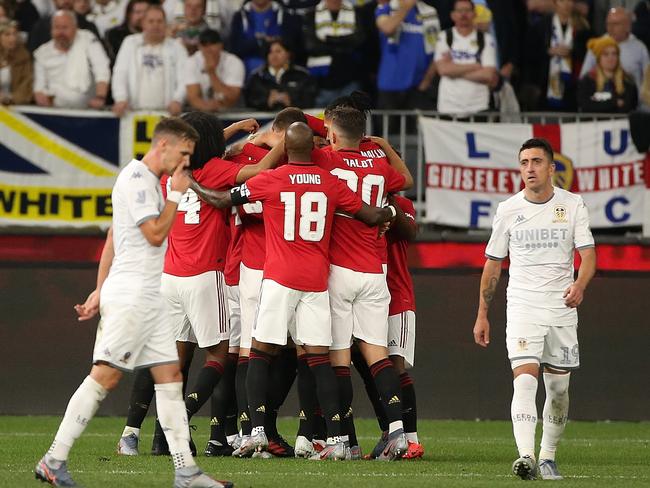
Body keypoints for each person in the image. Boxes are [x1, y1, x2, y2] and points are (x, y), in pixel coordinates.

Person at [35, 117, 233, 488]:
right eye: (184, 153)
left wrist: (97, 289)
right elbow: (155, 235)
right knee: (105, 376)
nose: (186, 162)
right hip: (132, 295)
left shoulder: (145, 179)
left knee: (170, 377)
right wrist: (176, 194)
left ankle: (186, 471)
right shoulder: (140, 181)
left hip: (148, 293)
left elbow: (114, 236)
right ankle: (53, 459)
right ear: (164, 147)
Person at [188, 121, 398, 461]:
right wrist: (390, 211)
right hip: (315, 282)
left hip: (279, 278)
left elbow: (223, 198)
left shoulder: (270, 179)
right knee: (318, 361)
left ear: (285, 148)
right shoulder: (330, 183)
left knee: (259, 352)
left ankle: (256, 431)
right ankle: (337, 440)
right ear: (311, 148)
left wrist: (194, 184)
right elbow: (371, 215)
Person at [473, 137, 596, 481]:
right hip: (523, 306)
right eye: (524, 162)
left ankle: (548, 456)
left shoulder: (572, 205)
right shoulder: (509, 209)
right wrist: (483, 313)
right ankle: (525, 455)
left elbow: (588, 255)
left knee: (558, 389)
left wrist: (580, 285)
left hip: (561, 308)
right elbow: (493, 265)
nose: (529, 168)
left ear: (551, 168)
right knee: (524, 382)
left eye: (537, 162)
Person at [111, 4, 188, 116]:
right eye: (151, 21)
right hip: (132, 113)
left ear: (165, 24)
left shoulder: (177, 47)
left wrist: (178, 100)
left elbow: (185, 78)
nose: (155, 25)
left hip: (168, 115)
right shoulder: (130, 43)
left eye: (159, 21)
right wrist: (120, 98)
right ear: (143, 24)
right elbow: (120, 73)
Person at [33, 10, 110, 108]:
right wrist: (40, 95)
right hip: (55, 112)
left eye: (65, 28)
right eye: (57, 28)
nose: (60, 32)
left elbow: (101, 68)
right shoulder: (42, 53)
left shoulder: (87, 39)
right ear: (51, 30)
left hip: (88, 110)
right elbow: (39, 87)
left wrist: (100, 97)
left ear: (75, 28)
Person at [434, 0, 498, 115]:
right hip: (448, 106)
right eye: (459, 11)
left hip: (479, 106)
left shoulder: (485, 39)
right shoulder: (444, 37)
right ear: (452, 15)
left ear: (474, 14)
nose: (463, 15)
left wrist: (454, 70)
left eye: (467, 11)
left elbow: (488, 75)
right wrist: (475, 66)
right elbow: (443, 70)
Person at [375, 0, 440, 110]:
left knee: (415, 127)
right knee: (387, 127)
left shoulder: (430, 12)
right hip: (389, 84)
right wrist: (405, 8)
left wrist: (426, 81)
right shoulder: (386, 8)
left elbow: (436, 50)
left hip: (418, 85)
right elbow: (387, 28)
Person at [579, 8, 649, 95]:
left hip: (633, 104)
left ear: (627, 25)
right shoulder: (597, 45)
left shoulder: (639, 48)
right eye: (608, 24)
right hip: (600, 103)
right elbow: (583, 77)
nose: (610, 28)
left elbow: (648, 80)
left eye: (615, 24)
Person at [244, 40, 317, 110]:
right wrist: (267, 102)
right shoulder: (257, 77)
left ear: (288, 54)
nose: (274, 55)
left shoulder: (302, 76)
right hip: (262, 121)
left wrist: (291, 102)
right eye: (270, 52)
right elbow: (249, 101)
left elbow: (309, 101)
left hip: (294, 120)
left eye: (278, 51)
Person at [184, 28, 245, 112]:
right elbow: (193, 98)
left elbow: (232, 98)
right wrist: (209, 107)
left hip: (231, 114)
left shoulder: (234, 62)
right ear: (199, 47)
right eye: (204, 45)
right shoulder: (192, 62)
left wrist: (212, 73)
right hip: (202, 113)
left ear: (220, 45)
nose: (208, 49)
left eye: (212, 44)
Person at [578, 35, 638, 112]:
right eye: (606, 54)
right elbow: (585, 105)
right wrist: (614, 103)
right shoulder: (587, 80)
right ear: (599, 58)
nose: (611, 57)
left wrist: (600, 104)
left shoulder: (628, 81)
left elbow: (629, 105)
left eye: (614, 54)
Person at [0, 19, 33, 104]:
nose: (12, 38)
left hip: (15, 105)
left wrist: (9, 98)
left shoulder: (24, 57)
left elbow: (27, 85)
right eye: (7, 34)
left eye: (15, 34)